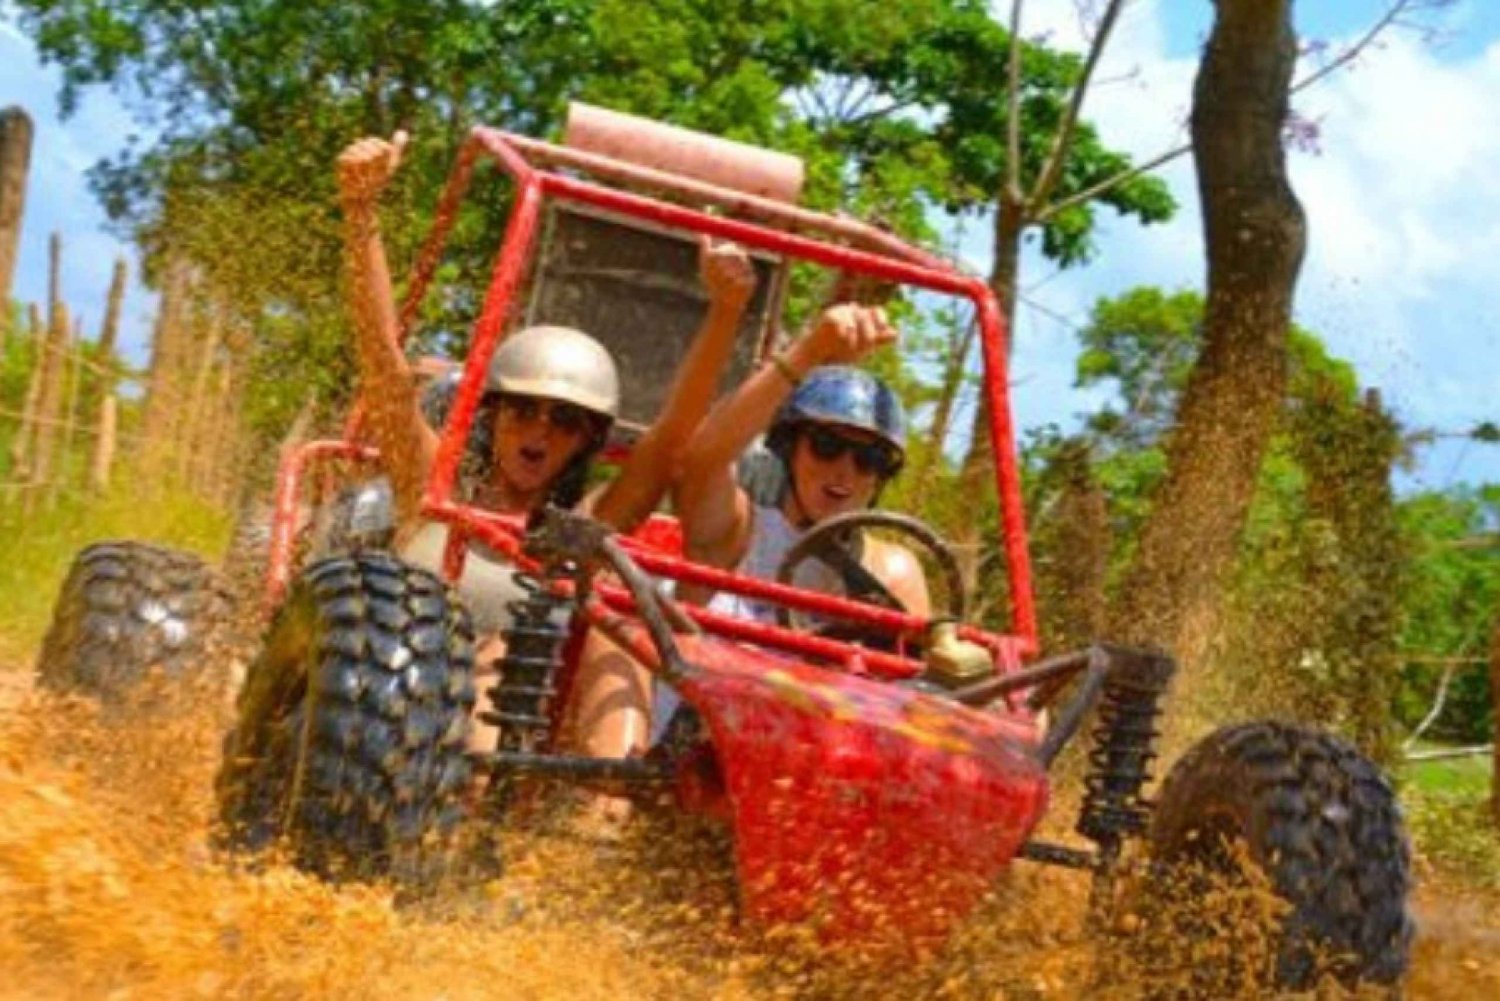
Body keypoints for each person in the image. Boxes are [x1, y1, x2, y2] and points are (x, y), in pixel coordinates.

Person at [336, 131, 756, 747]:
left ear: (586, 440)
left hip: (499, 744)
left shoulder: (582, 532)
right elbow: (383, 364)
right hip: (379, 716)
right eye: (523, 411)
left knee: (620, 627)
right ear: (493, 415)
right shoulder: (434, 486)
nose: (539, 430)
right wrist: (360, 215)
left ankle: (596, 824)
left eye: (563, 420)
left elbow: (670, 442)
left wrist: (724, 313)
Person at [568, 301, 930, 762]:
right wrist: (808, 352)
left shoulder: (893, 569)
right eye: (826, 446)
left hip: (801, 770)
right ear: (790, 448)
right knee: (618, 621)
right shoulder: (739, 531)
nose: (844, 471)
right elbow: (700, 460)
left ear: (881, 476)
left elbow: (916, 688)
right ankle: (605, 808)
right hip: (679, 754)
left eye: (868, 460)